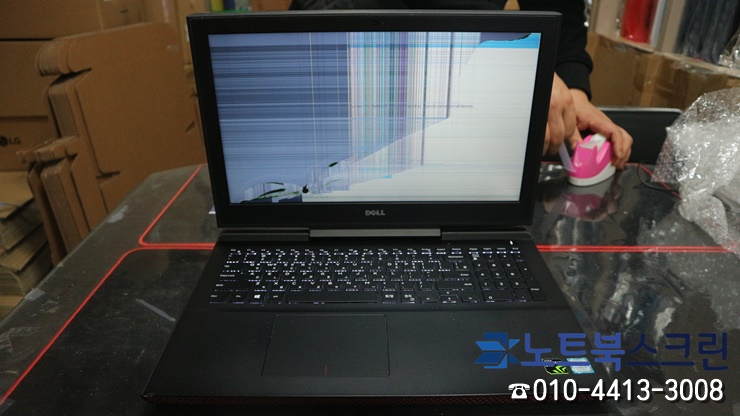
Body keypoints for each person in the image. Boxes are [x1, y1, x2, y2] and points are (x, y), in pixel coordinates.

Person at [289, 0, 633, 169]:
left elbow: (561, 11)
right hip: (334, 83)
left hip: (466, 120)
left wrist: (574, 89)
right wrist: (515, 65)